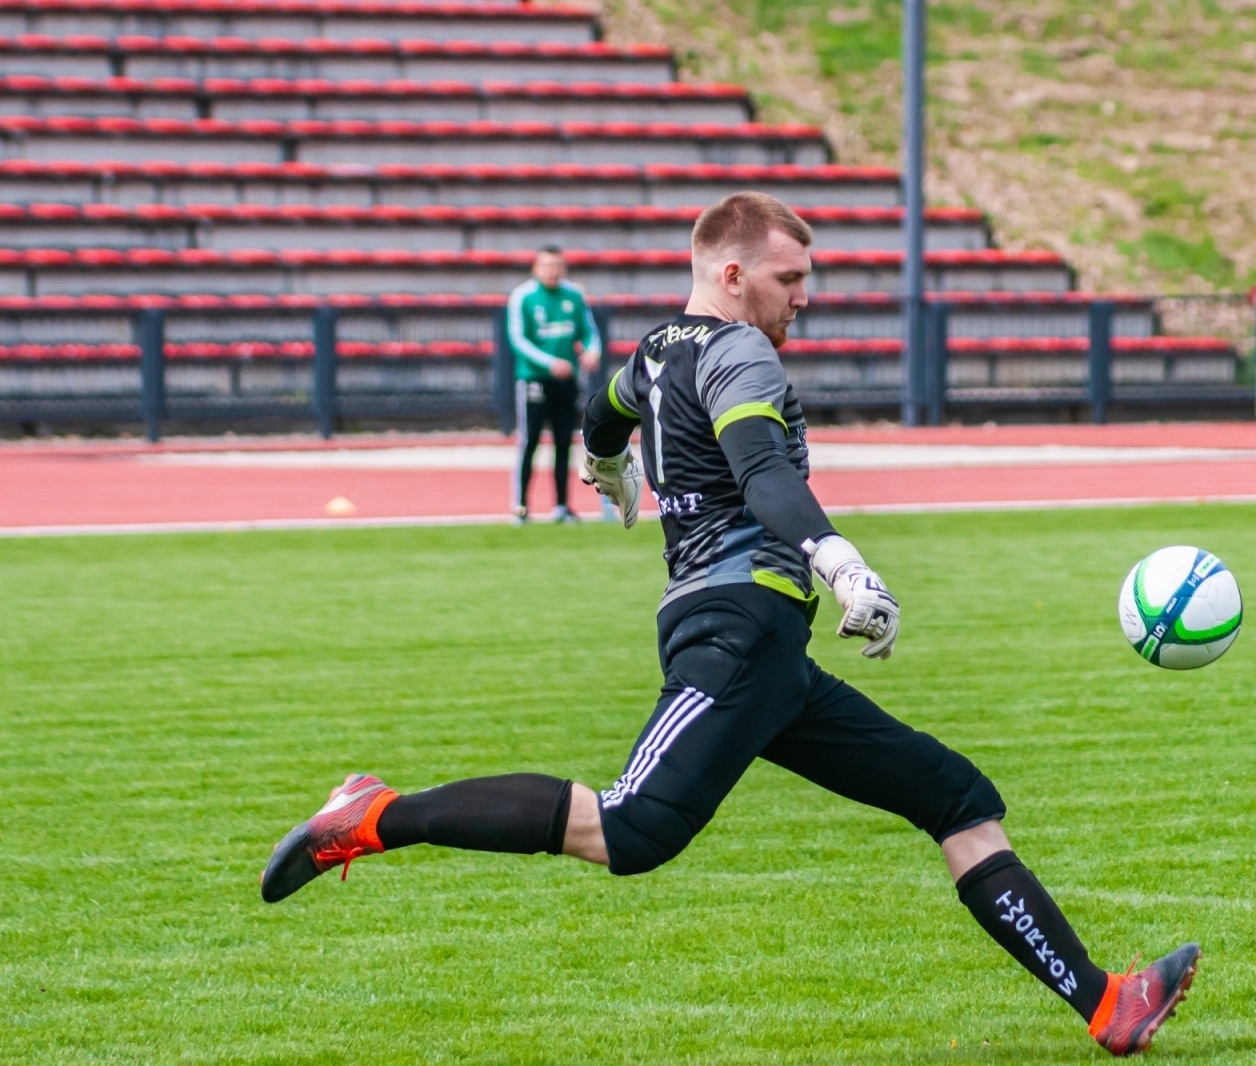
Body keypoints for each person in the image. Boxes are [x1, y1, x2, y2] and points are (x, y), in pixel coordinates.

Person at [260, 193, 1200, 1057]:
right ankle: (373, 817)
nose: (803, 299)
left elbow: (605, 408)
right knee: (631, 830)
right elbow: (763, 473)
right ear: (733, 273)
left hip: (772, 653)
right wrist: (839, 561)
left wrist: (606, 463)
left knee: (956, 797)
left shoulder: (658, 348)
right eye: (790, 279)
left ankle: (1107, 1005)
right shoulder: (739, 352)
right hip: (737, 627)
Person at [507, 245, 601, 523]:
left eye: (557, 266)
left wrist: (592, 350)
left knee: (564, 442)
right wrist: (549, 362)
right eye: (547, 266)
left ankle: (562, 506)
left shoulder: (574, 295)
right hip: (534, 380)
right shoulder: (523, 297)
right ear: (536, 269)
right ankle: (521, 506)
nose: (552, 271)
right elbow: (518, 339)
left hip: (567, 381)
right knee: (530, 441)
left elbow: (588, 331)